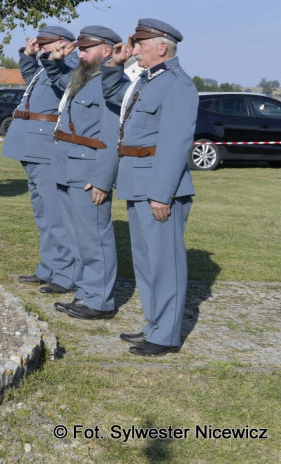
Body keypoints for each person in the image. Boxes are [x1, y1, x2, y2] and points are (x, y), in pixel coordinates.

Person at [101, 18, 197, 356]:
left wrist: (161, 193)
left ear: (162, 47)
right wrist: (115, 63)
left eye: (140, 44)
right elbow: (113, 96)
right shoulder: (146, 80)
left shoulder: (177, 84)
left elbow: (175, 143)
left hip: (158, 185)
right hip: (136, 180)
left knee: (164, 262)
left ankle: (166, 335)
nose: (135, 50)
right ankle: (155, 325)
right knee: (145, 262)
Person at [45, 25, 122, 321]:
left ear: (107, 51)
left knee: (95, 237)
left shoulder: (110, 85)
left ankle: (100, 300)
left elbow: (113, 134)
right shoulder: (84, 78)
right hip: (67, 165)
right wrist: (52, 58)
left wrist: (103, 178)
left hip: (89, 170)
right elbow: (57, 76)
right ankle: (87, 292)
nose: (80, 53)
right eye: (80, 47)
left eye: (87, 49)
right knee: (78, 236)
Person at [2, 25, 79, 295]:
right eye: (41, 43)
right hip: (30, 145)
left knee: (56, 214)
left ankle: (65, 273)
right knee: (43, 214)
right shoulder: (48, 66)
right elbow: (30, 75)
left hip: (45, 147)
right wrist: (27, 54)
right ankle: (48, 267)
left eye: (46, 43)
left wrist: (54, 59)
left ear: (63, 44)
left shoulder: (69, 65)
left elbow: (64, 83)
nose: (42, 47)